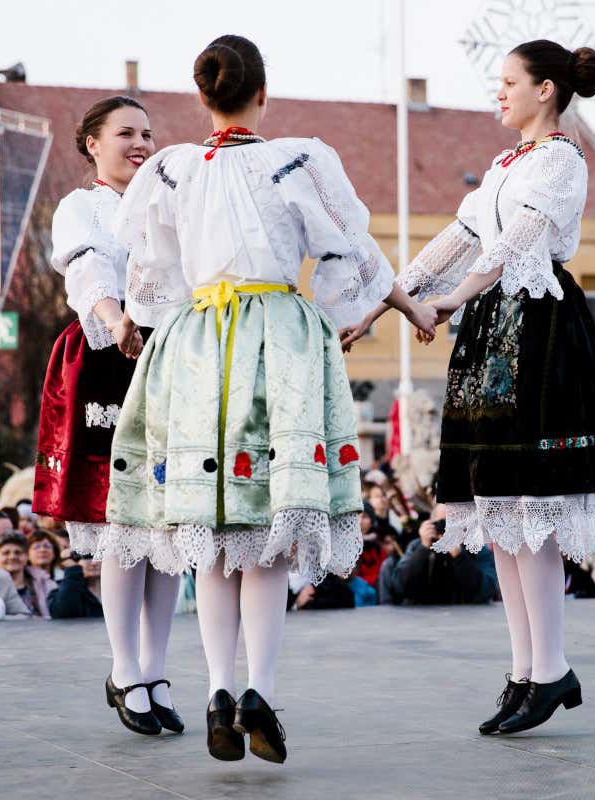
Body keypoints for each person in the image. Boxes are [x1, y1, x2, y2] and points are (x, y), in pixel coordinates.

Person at [106, 34, 435, 763]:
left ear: (202, 98)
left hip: (196, 345)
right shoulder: (300, 158)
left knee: (217, 540)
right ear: (264, 92)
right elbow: (356, 248)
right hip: (276, 340)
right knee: (269, 539)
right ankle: (259, 688)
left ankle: (219, 689)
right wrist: (400, 309)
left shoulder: (170, 169)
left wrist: (138, 321)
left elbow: (150, 270)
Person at [348, 40, 595, 735]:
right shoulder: (506, 164)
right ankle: (525, 669)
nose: (497, 93)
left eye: (509, 82)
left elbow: (518, 243)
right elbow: (458, 236)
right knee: (500, 508)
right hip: (494, 330)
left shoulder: (562, 158)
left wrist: (450, 300)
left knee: (530, 503)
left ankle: (551, 667)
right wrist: (388, 301)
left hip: (537, 327)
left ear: (547, 91)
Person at [31, 94, 183, 738]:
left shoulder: (167, 203)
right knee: (123, 521)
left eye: (147, 133)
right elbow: (88, 269)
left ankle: (154, 667)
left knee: (171, 524)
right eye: (126, 133)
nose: (141, 143)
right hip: (108, 356)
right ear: (92, 143)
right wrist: (117, 317)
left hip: (170, 362)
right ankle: (124, 669)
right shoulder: (82, 205)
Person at [396, 505, 499, 605]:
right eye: (443, 523)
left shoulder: (476, 548)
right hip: (424, 616)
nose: (447, 529)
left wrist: (459, 556)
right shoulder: (417, 546)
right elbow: (401, 586)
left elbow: (487, 590)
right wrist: (423, 549)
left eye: (453, 523)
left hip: (467, 616)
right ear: (431, 524)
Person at [0, 532, 57, 619]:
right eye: (6, 553)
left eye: (18, 552)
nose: (12, 557)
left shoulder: (45, 583)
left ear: (27, 556)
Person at [49, 551, 105, 618]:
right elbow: (63, 614)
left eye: (99, 557)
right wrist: (72, 571)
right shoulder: (60, 591)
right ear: (73, 562)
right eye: (86, 558)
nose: (94, 563)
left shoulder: (117, 590)